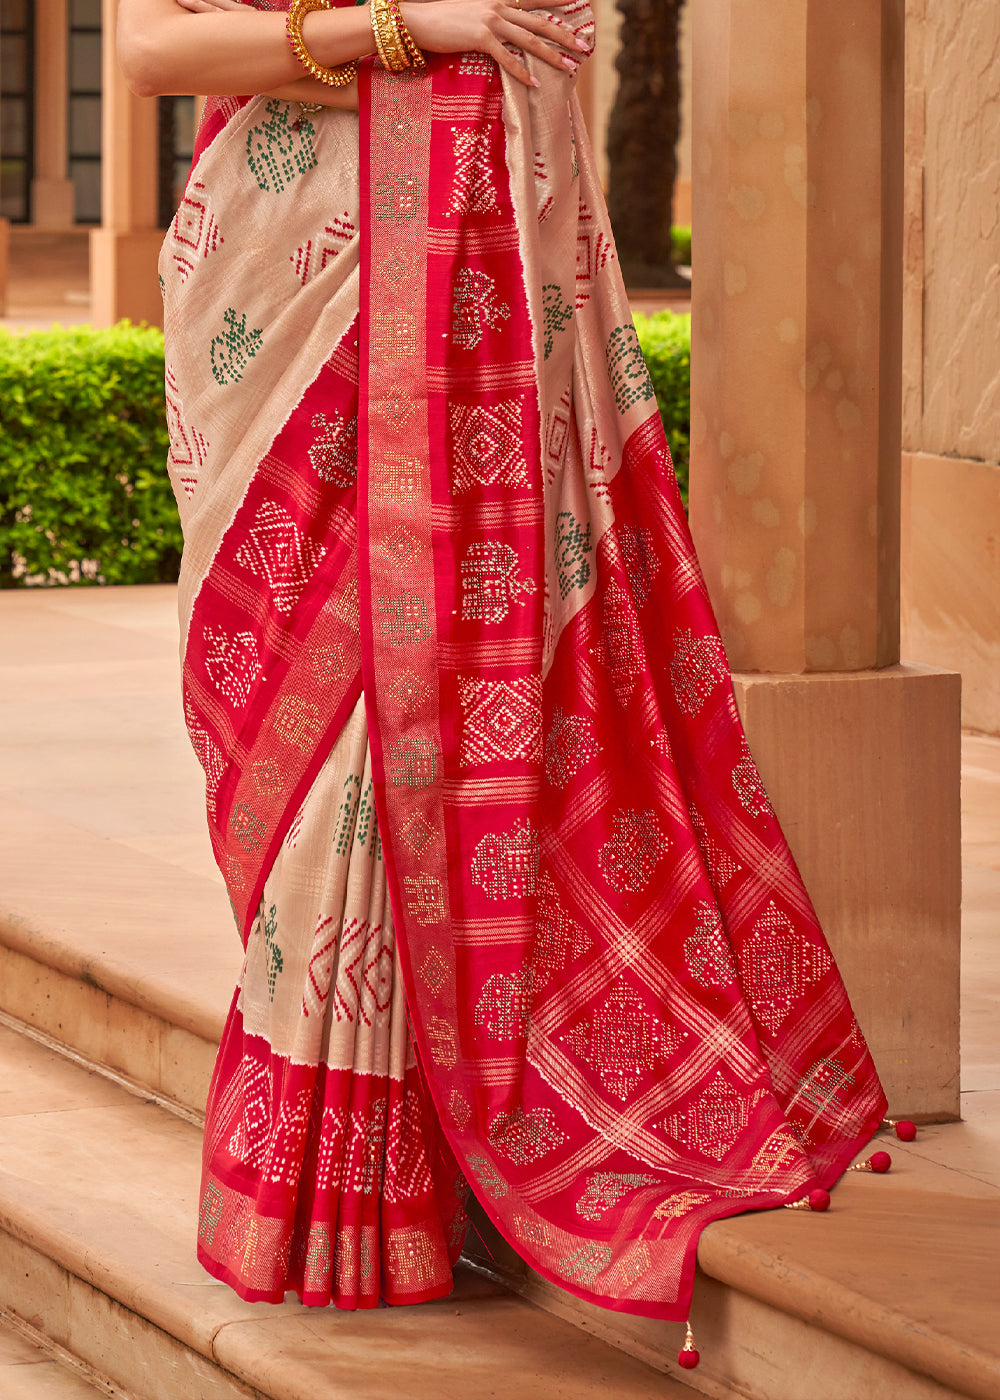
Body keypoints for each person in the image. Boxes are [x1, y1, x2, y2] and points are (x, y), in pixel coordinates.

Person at [118, 0, 887, 1338]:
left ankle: (398, 1177)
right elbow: (148, 50)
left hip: (460, 266)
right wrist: (409, 27)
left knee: (412, 713)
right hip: (289, 272)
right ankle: (340, 1184)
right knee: (317, 744)